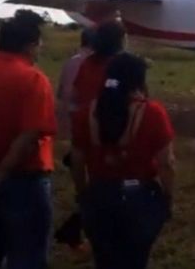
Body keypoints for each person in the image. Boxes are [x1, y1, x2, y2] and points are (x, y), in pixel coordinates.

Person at [71, 53, 175, 269]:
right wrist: (167, 197)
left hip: (99, 198)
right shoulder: (152, 113)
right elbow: (167, 163)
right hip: (140, 200)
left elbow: (77, 161)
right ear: (139, 81)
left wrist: (83, 194)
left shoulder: (86, 113)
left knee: (104, 261)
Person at [0, 11, 57, 269]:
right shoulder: (33, 79)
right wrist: (1, 173)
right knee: (28, 256)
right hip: (23, 180)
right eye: (39, 44)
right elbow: (30, 134)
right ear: (30, 46)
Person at [56, 21, 125, 250]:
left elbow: (73, 94)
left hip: (83, 123)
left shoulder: (85, 64)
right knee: (110, 186)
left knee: (91, 184)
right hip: (110, 129)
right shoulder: (120, 65)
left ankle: (83, 222)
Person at [56, 28, 94, 139]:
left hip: (64, 117)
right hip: (80, 118)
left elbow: (60, 92)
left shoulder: (70, 62)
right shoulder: (90, 63)